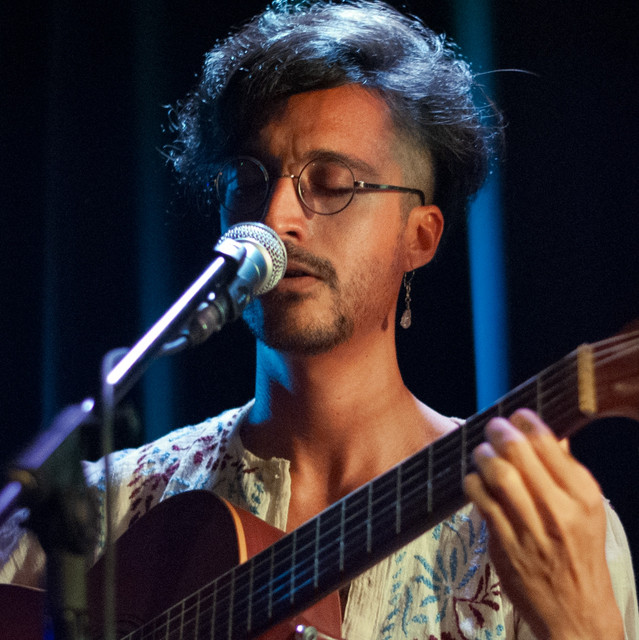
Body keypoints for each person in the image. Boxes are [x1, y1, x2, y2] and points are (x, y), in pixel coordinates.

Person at [1, 1, 637, 638]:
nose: (276, 217)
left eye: (332, 184)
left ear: (419, 237)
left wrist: (582, 624)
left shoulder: (540, 530)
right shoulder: (97, 514)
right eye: (251, 178)